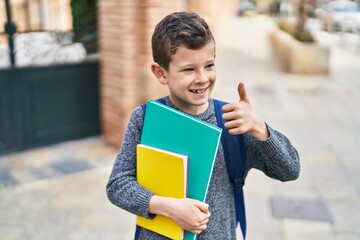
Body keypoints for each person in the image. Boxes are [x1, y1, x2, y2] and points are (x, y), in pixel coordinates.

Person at [106, 11, 300, 240]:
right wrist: (168, 207)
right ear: (161, 72)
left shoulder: (232, 121)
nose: (202, 78)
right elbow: (118, 185)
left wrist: (261, 129)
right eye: (188, 69)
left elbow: (290, 170)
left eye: (209, 65)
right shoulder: (145, 118)